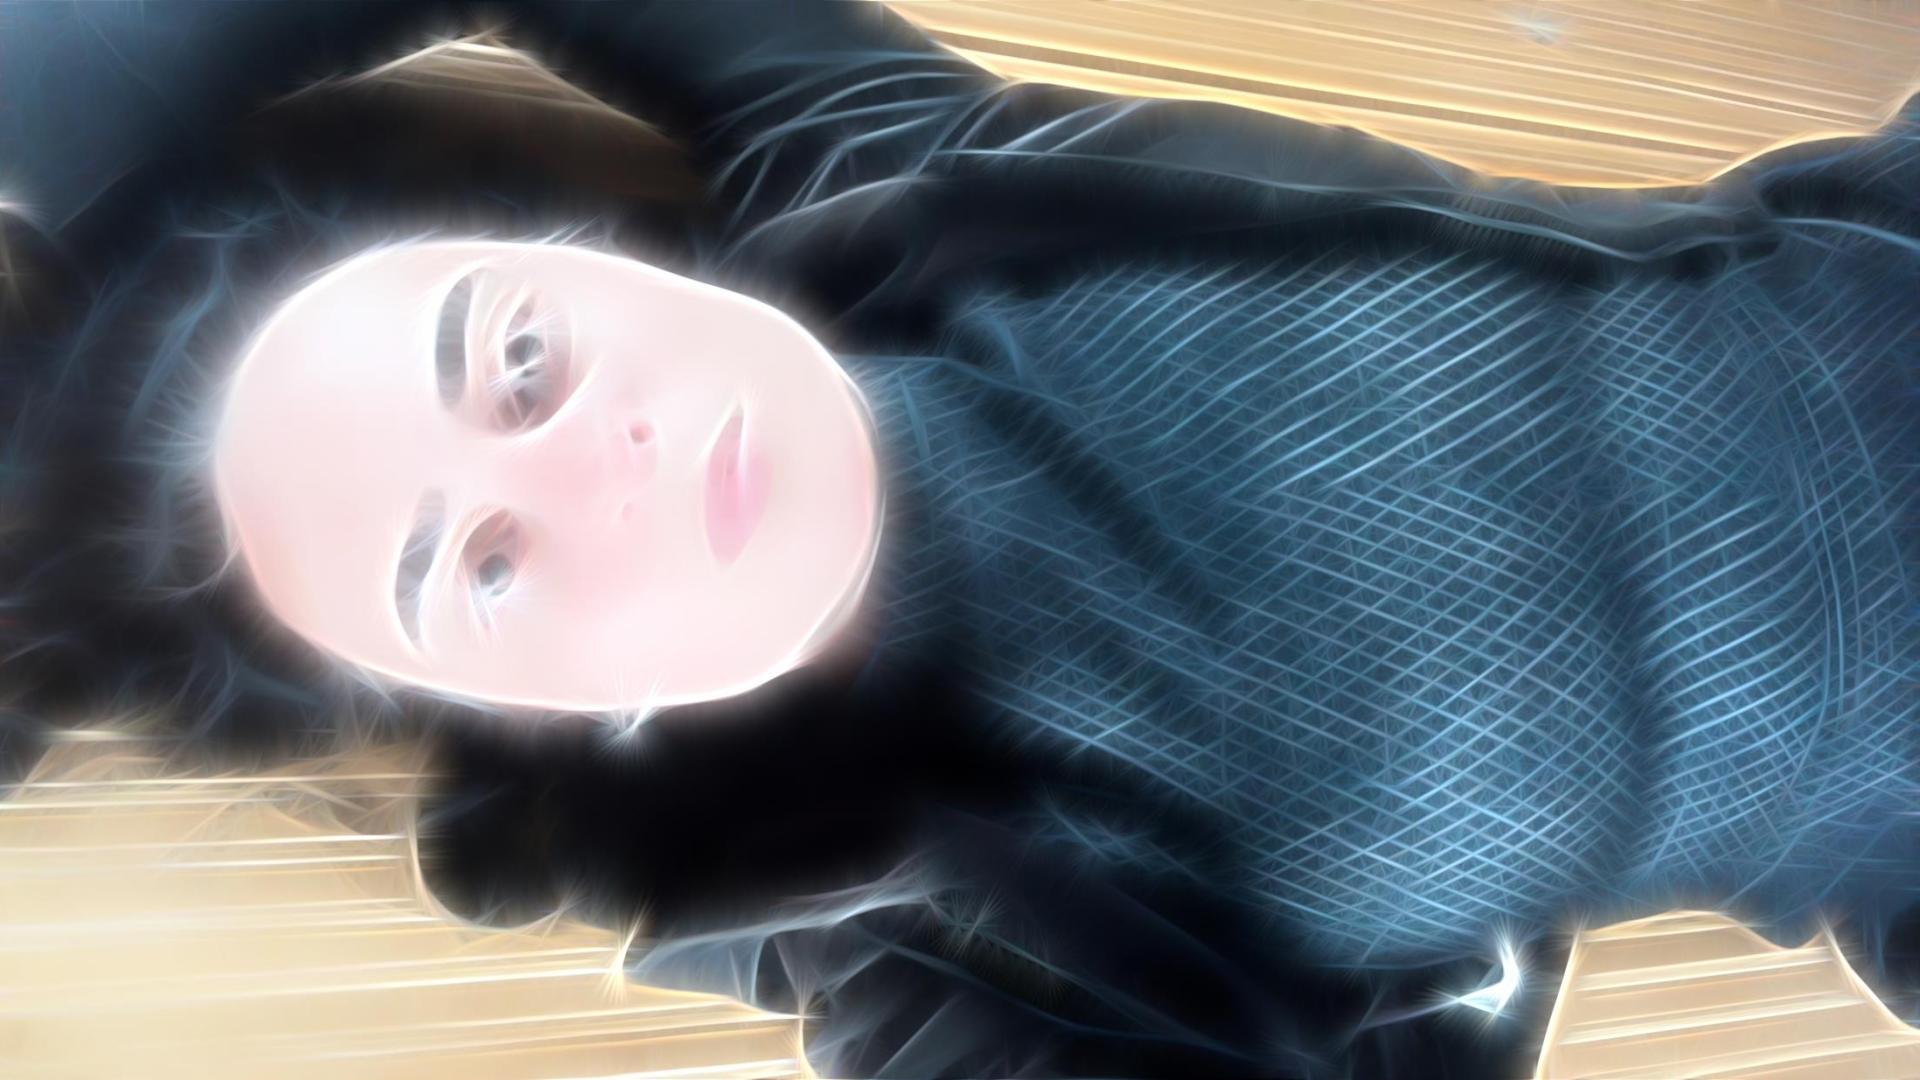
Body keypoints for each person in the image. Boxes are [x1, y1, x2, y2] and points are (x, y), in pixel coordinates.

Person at [3, 3, 1916, 1076]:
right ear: (525, 710)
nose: (605, 465)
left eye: (519, 356)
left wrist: (63, 200)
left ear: (584, 260)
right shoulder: (944, 973)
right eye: (482, 569)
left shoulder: (892, 170)